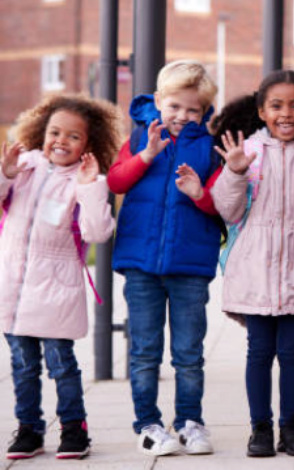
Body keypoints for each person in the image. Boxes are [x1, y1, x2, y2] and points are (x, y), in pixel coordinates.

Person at [209, 70, 294, 458]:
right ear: (262, 111)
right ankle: (260, 429)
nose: (287, 113)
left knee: (293, 354)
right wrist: (233, 172)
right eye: (277, 105)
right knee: (259, 352)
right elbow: (229, 211)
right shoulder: (246, 151)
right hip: (254, 271)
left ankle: (292, 428)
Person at [107, 59, 221, 456]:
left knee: (189, 353)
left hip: (190, 267)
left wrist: (199, 194)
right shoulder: (140, 137)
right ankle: (149, 424)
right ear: (158, 102)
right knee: (144, 351)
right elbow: (116, 180)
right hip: (141, 265)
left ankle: (190, 421)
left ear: (204, 112)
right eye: (174, 107)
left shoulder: (210, 147)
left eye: (193, 110)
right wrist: (146, 155)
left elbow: (222, 206)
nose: (182, 116)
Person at [1, 94, 122, 460]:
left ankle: (74, 428)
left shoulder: (85, 180)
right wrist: (4, 173)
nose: (61, 141)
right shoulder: (24, 167)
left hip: (56, 287)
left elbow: (98, 232)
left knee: (61, 365)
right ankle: (29, 429)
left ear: (89, 143)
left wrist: (89, 187)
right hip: (13, 283)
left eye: (73, 136)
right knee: (22, 366)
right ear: (42, 132)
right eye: (55, 132)